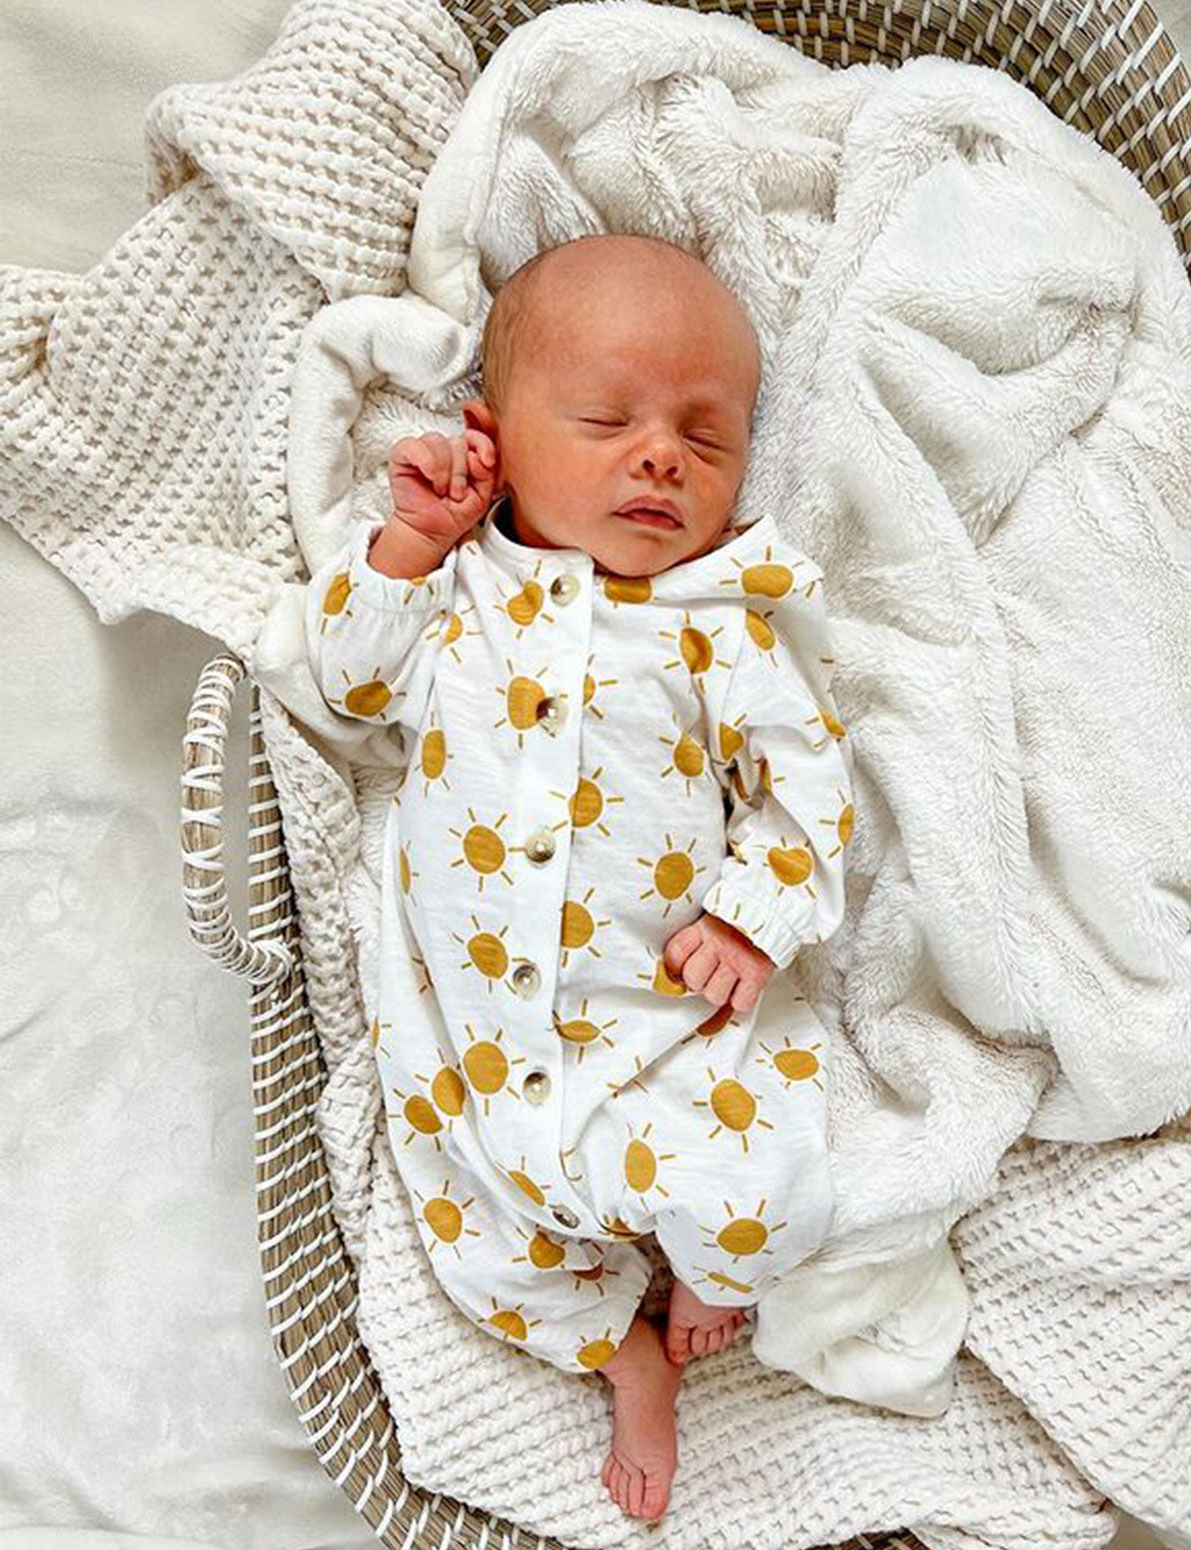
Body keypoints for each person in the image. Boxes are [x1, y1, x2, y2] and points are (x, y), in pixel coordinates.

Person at [304, 233, 855, 1522]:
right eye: (608, 418)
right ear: (496, 440)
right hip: (476, 1045)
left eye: (706, 441)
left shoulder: (723, 634)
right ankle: (627, 1358)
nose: (660, 455)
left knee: (770, 1192)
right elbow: (351, 684)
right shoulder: (459, 600)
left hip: (656, 1031)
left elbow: (811, 790)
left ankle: (713, 1279)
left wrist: (754, 917)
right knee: (479, 1251)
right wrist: (406, 546)